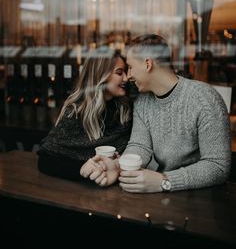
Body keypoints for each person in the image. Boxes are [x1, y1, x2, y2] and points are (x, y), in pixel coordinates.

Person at [81, 34, 231, 192]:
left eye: (131, 67)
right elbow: (140, 146)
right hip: (164, 196)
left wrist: (164, 181)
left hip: (203, 199)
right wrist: (118, 166)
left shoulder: (205, 99)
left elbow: (218, 167)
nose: (129, 76)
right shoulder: (143, 100)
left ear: (147, 64)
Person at [37, 47, 132, 181]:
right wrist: (82, 170)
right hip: (83, 191)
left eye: (126, 72)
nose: (126, 78)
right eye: (119, 72)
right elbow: (45, 160)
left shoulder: (125, 108)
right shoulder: (76, 112)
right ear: (101, 75)